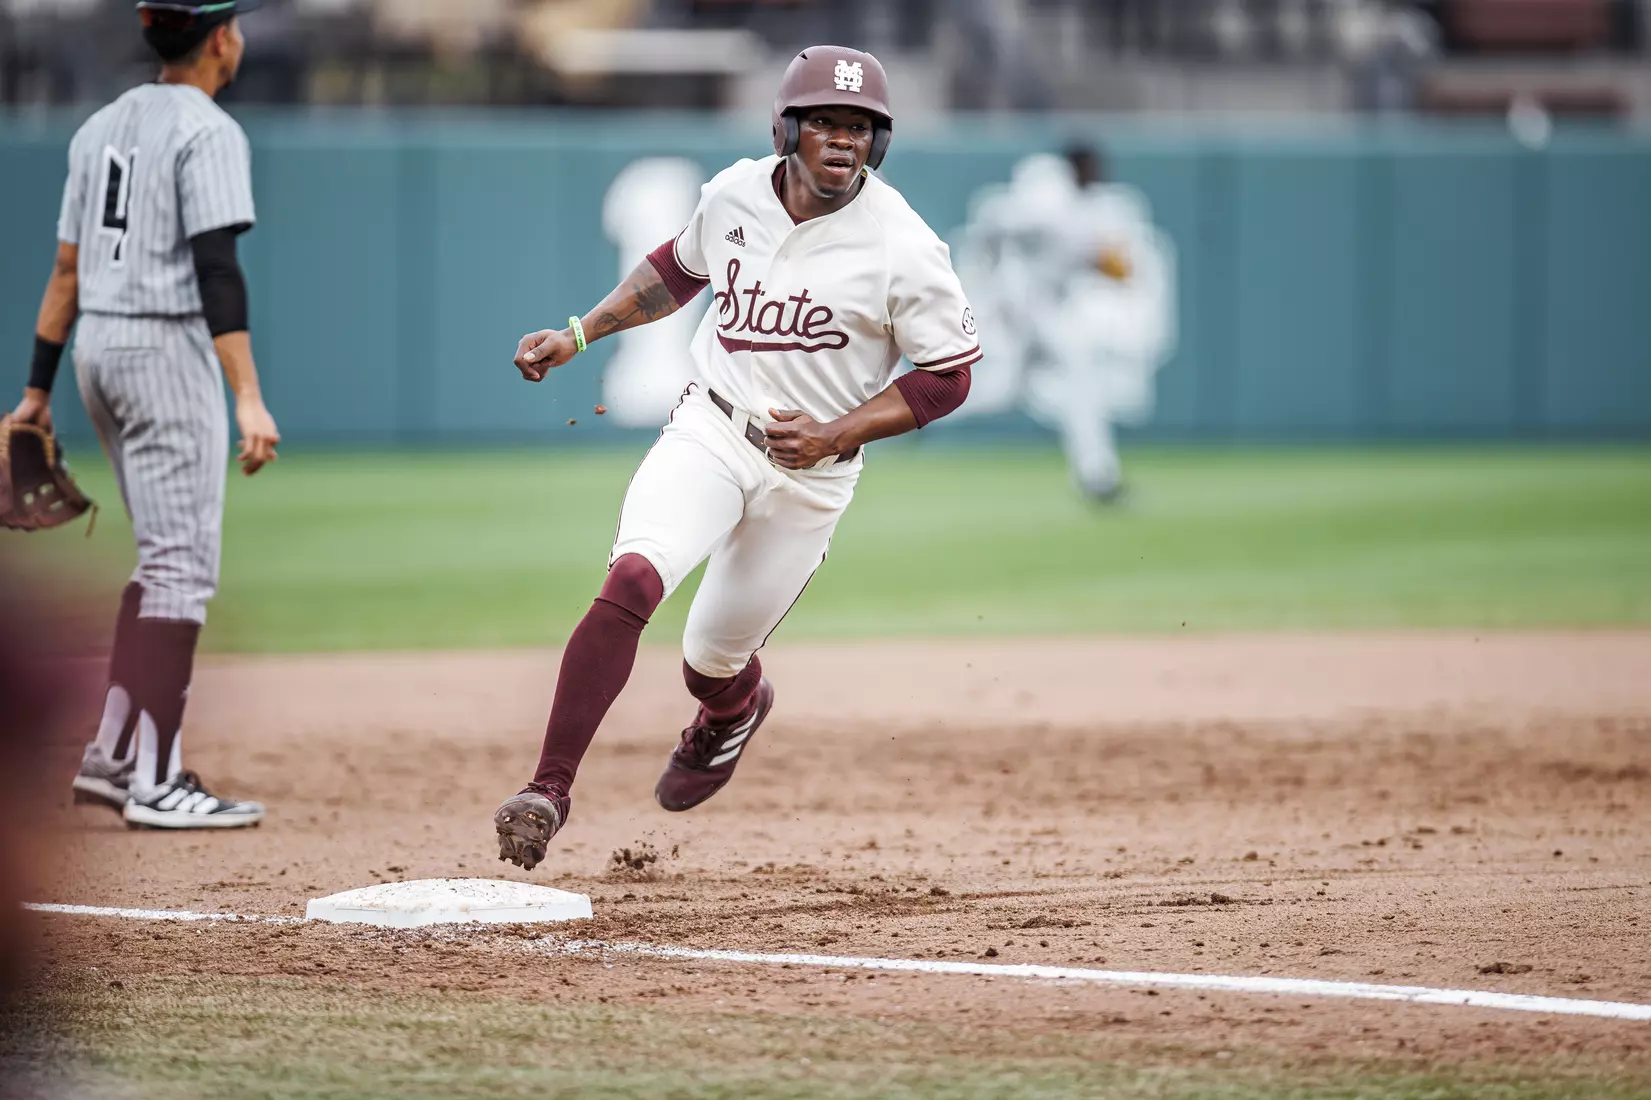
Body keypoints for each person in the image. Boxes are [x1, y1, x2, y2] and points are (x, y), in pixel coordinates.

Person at [493, 46, 978, 870]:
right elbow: (674, 274)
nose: (841, 139)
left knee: (709, 661)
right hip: (712, 428)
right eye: (824, 120)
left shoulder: (904, 244)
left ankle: (733, 709)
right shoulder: (735, 193)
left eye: (858, 126)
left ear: (878, 142)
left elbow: (948, 377)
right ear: (788, 128)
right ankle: (547, 790)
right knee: (635, 577)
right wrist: (580, 333)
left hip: (809, 479)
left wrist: (838, 433)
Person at [10, 0, 280, 829]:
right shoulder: (208, 128)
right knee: (181, 569)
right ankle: (155, 782)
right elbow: (216, 270)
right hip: (164, 350)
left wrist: (36, 390)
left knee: (160, 560)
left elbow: (65, 269)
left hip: (96, 348)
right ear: (222, 39)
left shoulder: (99, 126)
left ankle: (113, 755)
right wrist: (247, 394)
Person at [956, 145, 1175, 501]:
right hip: (1029, 307)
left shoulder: (1080, 211)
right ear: (1076, 168)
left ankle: (913, 419)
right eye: (1090, 167)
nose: (1096, 174)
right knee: (1079, 381)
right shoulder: (1050, 205)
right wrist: (991, 287)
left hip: (1044, 307)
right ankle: (1097, 475)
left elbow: (1102, 262)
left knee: (998, 390)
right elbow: (994, 223)